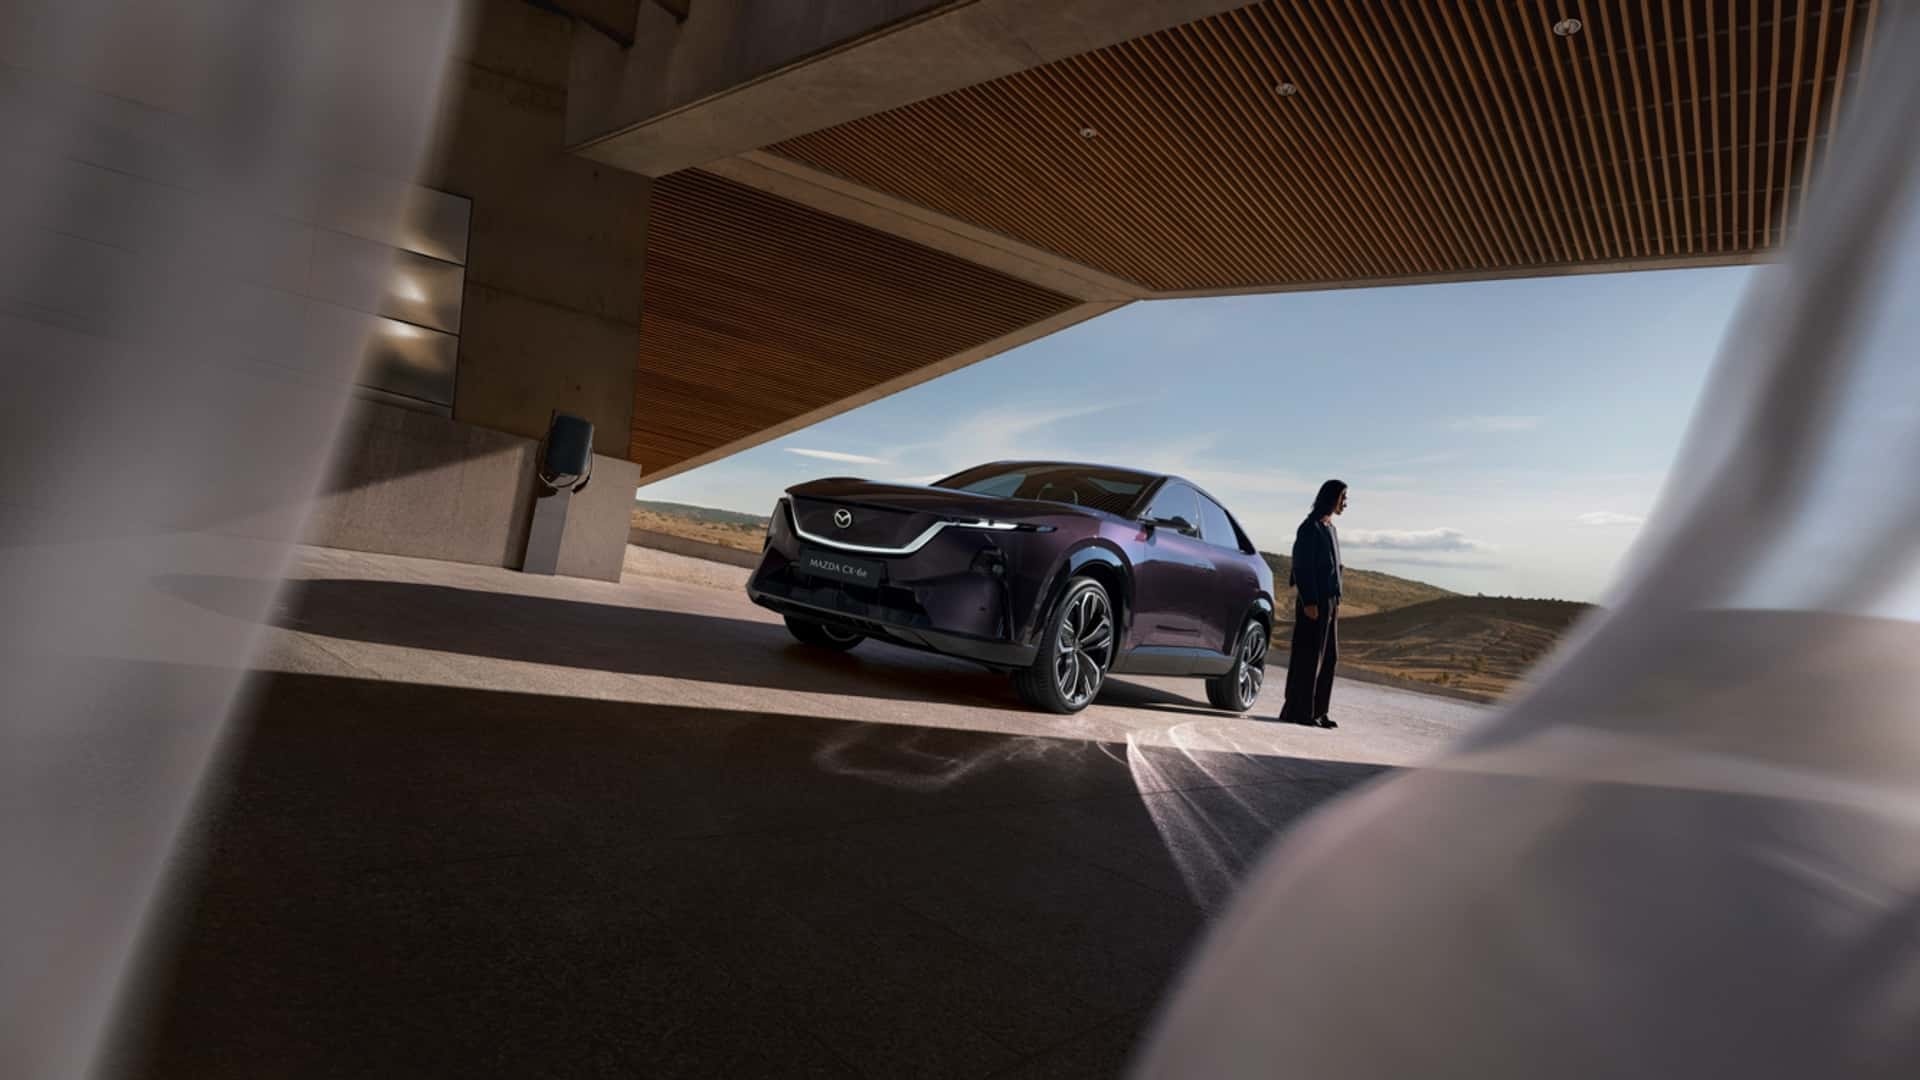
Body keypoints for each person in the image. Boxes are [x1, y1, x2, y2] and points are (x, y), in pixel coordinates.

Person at [1278, 480, 1346, 728]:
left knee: (1328, 658)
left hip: (1331, 602)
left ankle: (1318, 712)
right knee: (1308, 657)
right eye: (1342, 497)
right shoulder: (1310, 527)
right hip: (1314, 603)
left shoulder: (1330, 528)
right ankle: (1299, 711)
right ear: (1331, 498)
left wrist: (1336, 597)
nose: (1345, 503)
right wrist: (1310, 600)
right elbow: (1302, 565)